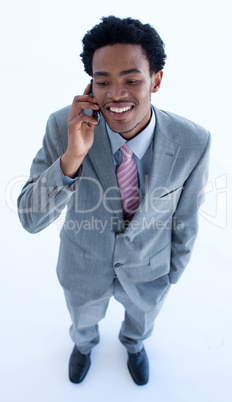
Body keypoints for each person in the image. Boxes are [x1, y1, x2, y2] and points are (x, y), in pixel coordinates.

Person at [17, 16, 211, 386]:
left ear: (156, 79)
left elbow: (187, 219)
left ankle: (134, 345)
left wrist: (171, 275)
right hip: (83, 266)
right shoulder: (65, 126)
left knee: (141, 322)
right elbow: (29, 217)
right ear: (90, 83)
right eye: (102, 81)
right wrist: (72, 157)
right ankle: (84, 345)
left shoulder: (194, 142)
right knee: (82, 320)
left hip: (149, 271)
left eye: (132, 79)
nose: (116, 94)